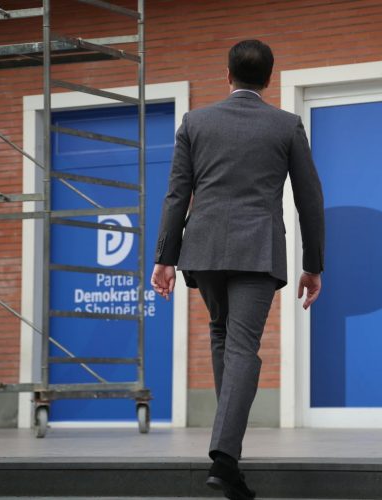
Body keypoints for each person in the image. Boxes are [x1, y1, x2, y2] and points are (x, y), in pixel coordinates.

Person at [151, 39, 324, 500]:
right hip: (257, 250)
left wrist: (164, 257)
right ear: (268, 79)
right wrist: (313, 265)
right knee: (242, 345)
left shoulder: (195, 122)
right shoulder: (286, 125)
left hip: (203, 248)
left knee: (223, 335)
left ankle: (229, 459)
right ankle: (225, 459)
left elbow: (177, 194)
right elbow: (310, 200)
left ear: (227, 75)